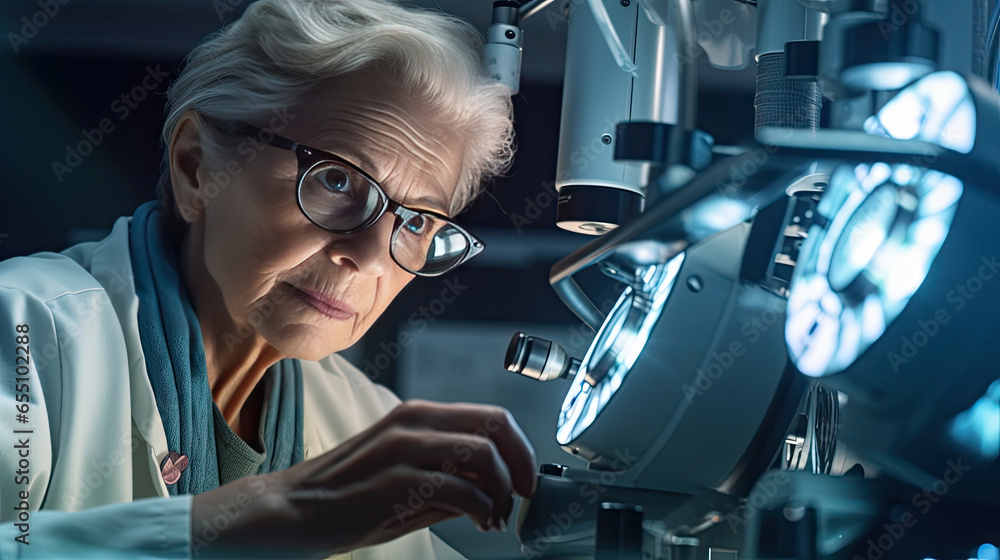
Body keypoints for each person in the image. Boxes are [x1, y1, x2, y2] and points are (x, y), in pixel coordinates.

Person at [0, 1, 537, 558]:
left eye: (419, 220)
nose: (372, 258)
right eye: (336, 180)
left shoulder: (362, 420)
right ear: (196, 168)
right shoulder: (26, 332)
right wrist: (244, 523)